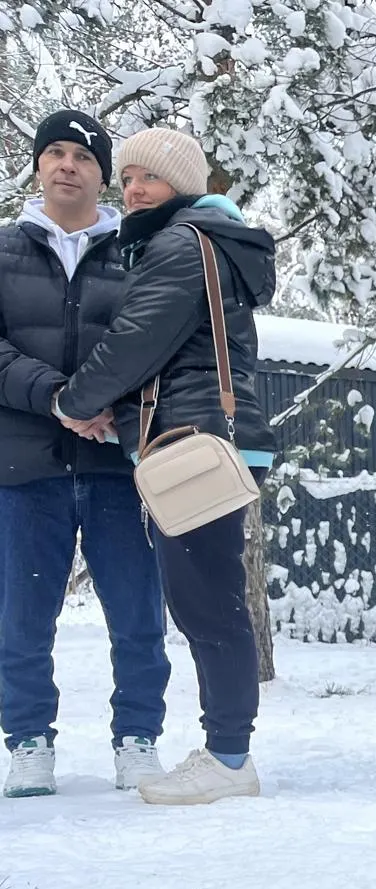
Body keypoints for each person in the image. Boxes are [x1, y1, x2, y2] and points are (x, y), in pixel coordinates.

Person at [54, 126, 278, 805]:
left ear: (183, 184)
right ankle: (228, 749)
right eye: (125, 180)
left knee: (206, 602)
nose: (132, 190)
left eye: (146, 178)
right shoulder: (197, 241)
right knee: (204, 597)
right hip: (206, 437)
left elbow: (135, 342)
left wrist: (74, 402)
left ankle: (230, 758)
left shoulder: (182, 242)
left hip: (195, 440)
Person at [0, 109, 169, 799]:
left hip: (115, 466)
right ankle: (29, 741)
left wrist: (110, 407)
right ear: (39, 165)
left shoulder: (138, 254)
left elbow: (155, 346)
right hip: (22, 465)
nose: (67, 165)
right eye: (56, 153)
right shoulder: (4, 251)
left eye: (83, 157)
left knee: (137, 613)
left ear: (103, 175)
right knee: (21, 618)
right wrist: (58, 397)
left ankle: (138, 738)